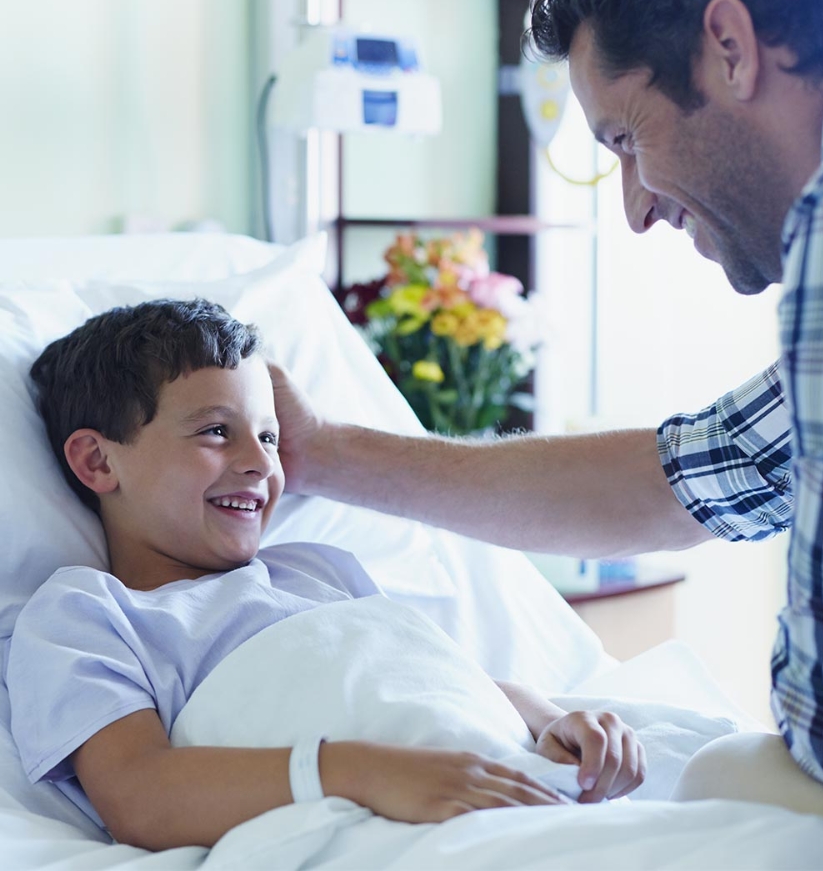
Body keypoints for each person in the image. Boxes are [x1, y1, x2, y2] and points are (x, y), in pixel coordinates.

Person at [264, 0, 823, 831]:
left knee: (720, 790)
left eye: (628, 138)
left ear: (730, 49)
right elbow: (713, 469)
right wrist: (323, 452)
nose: (636, 209)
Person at [5, 298, 645, 852]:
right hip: (385, 815)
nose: (261, 463)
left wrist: (554, 720)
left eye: (270, 437)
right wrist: (360, 772)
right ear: (97, 461)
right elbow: (139, 794)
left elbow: (433, 682)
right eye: (216, 432)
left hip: (499, 775)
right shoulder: (85, 615)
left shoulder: (312, 567)